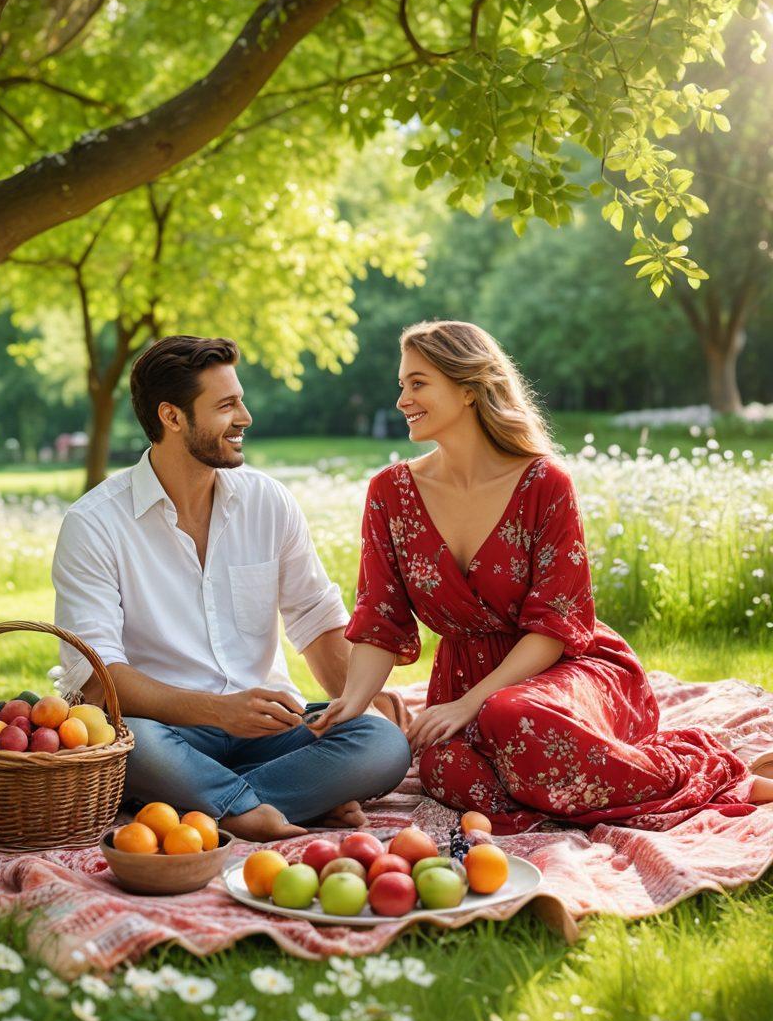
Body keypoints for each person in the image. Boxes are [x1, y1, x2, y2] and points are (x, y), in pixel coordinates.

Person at [310, 319, 773, 834]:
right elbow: (381, 616)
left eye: (418, 383)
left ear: (468, 389)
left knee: (511, 714)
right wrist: (351, 703)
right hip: (464, 682)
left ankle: (708, 775)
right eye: (402, 384)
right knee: (446, 772)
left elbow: (556, 627)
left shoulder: (543, 482)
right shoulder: (390, 493)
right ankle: (568, 786)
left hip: (565, 671)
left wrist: (469, 704)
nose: (402, 399)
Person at [52, 335, 410, 842]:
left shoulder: (269, 502)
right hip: (165, 731)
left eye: (239, 400)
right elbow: (96, 680)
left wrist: (355, 704)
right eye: (226, 405)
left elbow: (315, 619)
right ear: (172, 417)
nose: (245, 417)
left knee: (381, 743)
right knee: (128, 744)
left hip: (267, 729)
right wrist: (220, 711)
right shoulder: (94, 524)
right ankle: (265, 805)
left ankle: (210, 805)